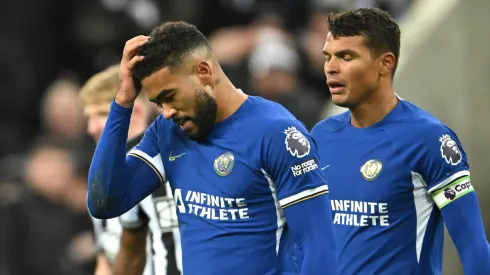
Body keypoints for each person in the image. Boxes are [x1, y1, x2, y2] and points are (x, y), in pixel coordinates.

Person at [86, 21, 337, 275]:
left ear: (204, 71)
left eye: (170, 96)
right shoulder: (168, 131)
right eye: (159, 103)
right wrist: (123, 102)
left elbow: (317, 243)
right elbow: (104, 202)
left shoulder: (276, 133)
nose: (167, 112)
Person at [311, 8, 490, 275]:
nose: (331, 68)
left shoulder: (430, 140)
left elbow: (473, 246)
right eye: (328, 57)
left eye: (346, 57)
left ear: (386, 63)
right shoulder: (321, 135)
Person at [79, 65, 182, 275]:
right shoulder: (102, 177)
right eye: (88, 117)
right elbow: (106, 255)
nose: (92, 128)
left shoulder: (170, 161)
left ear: (137, 111)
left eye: (101, 114)